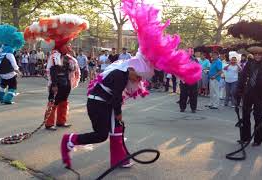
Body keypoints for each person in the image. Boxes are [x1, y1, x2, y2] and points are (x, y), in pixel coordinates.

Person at [59, 0, 202, 169]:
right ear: (133, 69)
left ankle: (119, 159)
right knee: (101, 135)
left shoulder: (126, 73)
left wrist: (117, 114)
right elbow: (115, 96)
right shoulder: (120, 74)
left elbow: (117, 96)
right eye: (138, 77)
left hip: (105, 102)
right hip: (98, 103)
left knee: (117, 129)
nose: (138, 81)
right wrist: (118, 112)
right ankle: (69, 140)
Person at [24, 14, 85, 130]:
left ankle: (61, 121)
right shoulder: (54, 56)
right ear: (62, 45)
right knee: (53, 103)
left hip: (65, 83)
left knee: (64, 101)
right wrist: (55, 85)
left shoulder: (68, 58)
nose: (70, 47)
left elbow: (71, 70)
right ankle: (49, 123)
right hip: (56, 84)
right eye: (68, 45)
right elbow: (53, 71)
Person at [236, 42, 262, 146]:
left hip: (260, 95)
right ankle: (245, 138)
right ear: (253, 55)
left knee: (258, 117)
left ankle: (257, 140)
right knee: (245, 116)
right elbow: (242, 77)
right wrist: (238, 91)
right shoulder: (250, 63)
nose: (257, 56)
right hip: (248, 93)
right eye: (256, 54)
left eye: (260, 54)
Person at [0, 25, 24, 104]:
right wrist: (19, 72)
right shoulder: (9, 54)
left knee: (2, 86)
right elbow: (14, 66)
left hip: (2, 74)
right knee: (12, 87)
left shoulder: (0, 54)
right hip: (10, 74)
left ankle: (0, 98)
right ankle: (7, 100)